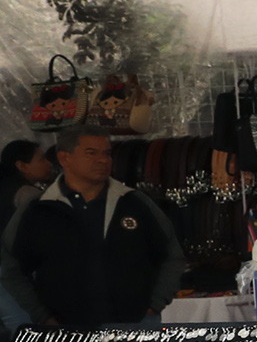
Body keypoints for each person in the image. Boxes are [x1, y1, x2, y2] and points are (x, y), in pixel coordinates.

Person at [1, 126, 184, 330]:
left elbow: (172, 255)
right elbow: (10, 267)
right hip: (67, 330)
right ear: (64, 158)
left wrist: (155, 304)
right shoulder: (38, 209)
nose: (102, 160)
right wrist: (41, 315)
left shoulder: (134, 202)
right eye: (91, 153)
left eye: (106, 154)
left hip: (135, 325)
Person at [0, 140, 52, 214]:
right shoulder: (27, 193)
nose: (49, 164)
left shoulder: (7, 187)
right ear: (21, 166)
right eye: (42, 159)